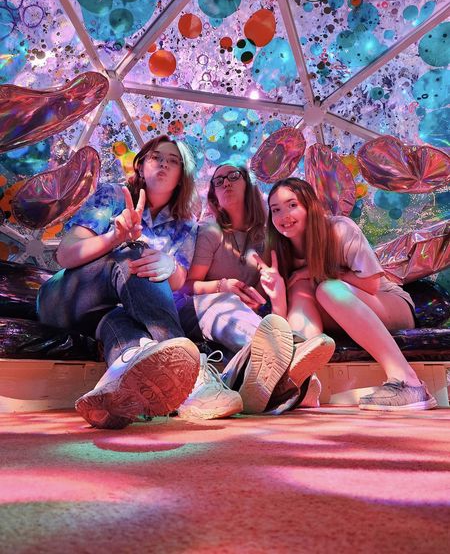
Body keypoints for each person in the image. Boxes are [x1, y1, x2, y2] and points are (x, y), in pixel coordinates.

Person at [37, 135, 201, 429]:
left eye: (173, 160)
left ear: (181, 177)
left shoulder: (186, 225)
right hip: (65, 298)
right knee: (134, 255)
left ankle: (118, 389)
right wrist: (116, 238)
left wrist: (169, 263)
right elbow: (66, 254)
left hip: (109, 316)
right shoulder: (113, 196)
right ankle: (192, 372)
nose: (163, 163)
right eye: (155, 157)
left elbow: (178, 281)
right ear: (141, 166)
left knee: (129, 337)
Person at [258, 177, 437, 411]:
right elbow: (285, 314)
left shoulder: (339, 229)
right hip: (337, 314)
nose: (284, 216)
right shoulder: (279, 252)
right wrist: (277, 294)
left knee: (327, 288)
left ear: (309, 205)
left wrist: (317, 271)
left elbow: (371, 285)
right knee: (300, 287)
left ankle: (409, 382)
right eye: (276, 210)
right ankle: (301, 382)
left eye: (292, 205)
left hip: (388, 304)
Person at [176, 164, 333, 420]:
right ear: (214, 196)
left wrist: (264, 294)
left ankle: (276, 389)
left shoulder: (266, 235)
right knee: (226, 302)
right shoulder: (211, 231)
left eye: (233, 176)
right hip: (198, 311)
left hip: (240, 318)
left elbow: (266, 294)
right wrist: (222, 286)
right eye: (218, 180)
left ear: (248, 185)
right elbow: (187, 286)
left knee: (247, 355)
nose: (225, 182)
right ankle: (293, 363)